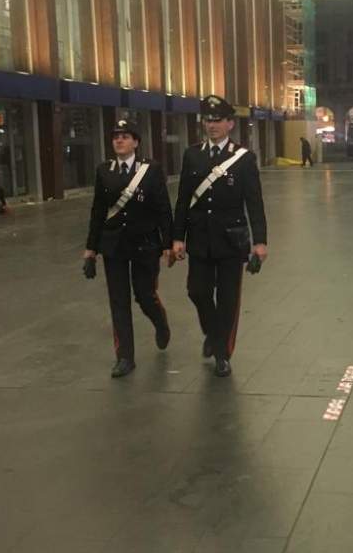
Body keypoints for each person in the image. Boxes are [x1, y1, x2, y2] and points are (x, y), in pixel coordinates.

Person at [172, 95, 268, 378]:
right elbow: (183, 200)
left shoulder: (243, 159)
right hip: (200, 239)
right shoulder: (193, 155)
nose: (211, 125)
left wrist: (260, 241)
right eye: (207, 120)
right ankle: (214, 334)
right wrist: (177, 238)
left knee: (228, 300)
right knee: (197, 291)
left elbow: (254, 201)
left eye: (217, 120)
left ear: (230, 124)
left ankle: (222, 354)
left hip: (231, 240)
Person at [84, 121, 174, 379]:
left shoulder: (151, 170)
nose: (119, 141)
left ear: (135, 142)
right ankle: (124, 356)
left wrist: (168, 243)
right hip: (114, 245)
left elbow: (162, 208)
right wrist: (91, 248)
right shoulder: (104, 171)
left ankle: (160, 322)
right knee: (118, 301)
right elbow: (98, 211)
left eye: (124, 137)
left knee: (145, 295)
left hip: (145, 244)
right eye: (115, 138)